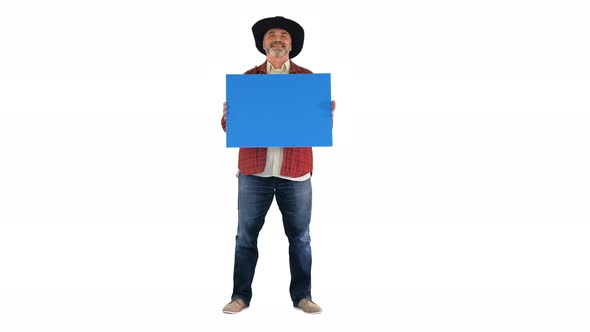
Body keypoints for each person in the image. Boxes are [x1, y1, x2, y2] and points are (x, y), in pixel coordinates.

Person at [220, 16, 335, 314]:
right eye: (271, 35)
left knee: (300, 237)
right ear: (263, 44)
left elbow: (317, 128)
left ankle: (302, 296)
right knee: (245, 237)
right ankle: (240, 296)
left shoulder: (308, 80)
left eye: (283, 35)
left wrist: (324, 116)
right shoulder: (248, 79)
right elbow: (229, 127)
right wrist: (228, 115)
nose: (277, 39)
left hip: (295, 173)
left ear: (291, 45)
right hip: (253, 172)